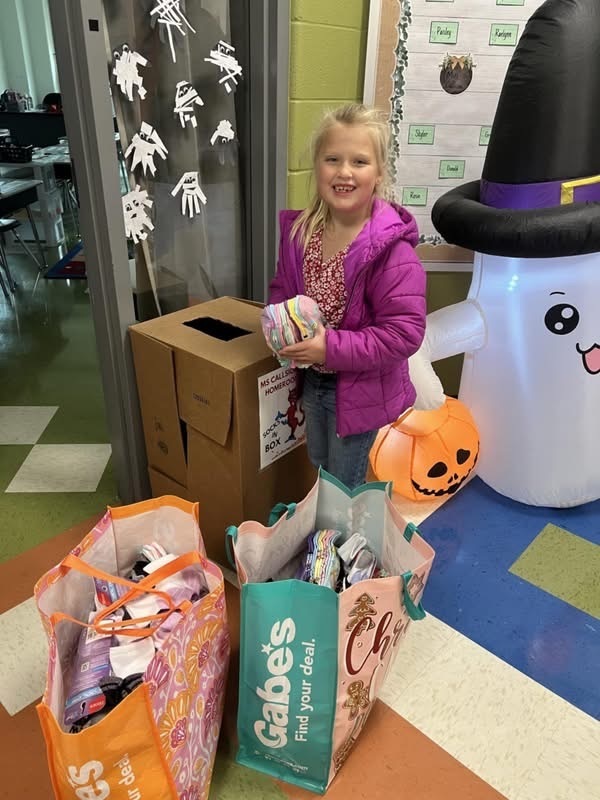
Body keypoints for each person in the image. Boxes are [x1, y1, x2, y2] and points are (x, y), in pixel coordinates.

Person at [268, 103, 426, 489]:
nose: (344, 172)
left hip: (359, 391)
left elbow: (404, 333)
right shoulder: (302, 232)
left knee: (344, 483)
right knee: (320, 465)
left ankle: (345, 528)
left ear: (379, 172)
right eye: (332, 159)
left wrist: (329, 348)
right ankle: (329, 523)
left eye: (359, 161)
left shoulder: (391, 250)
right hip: (311, 380)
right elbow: (282, 288)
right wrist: (278, 324)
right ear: (317, 166)